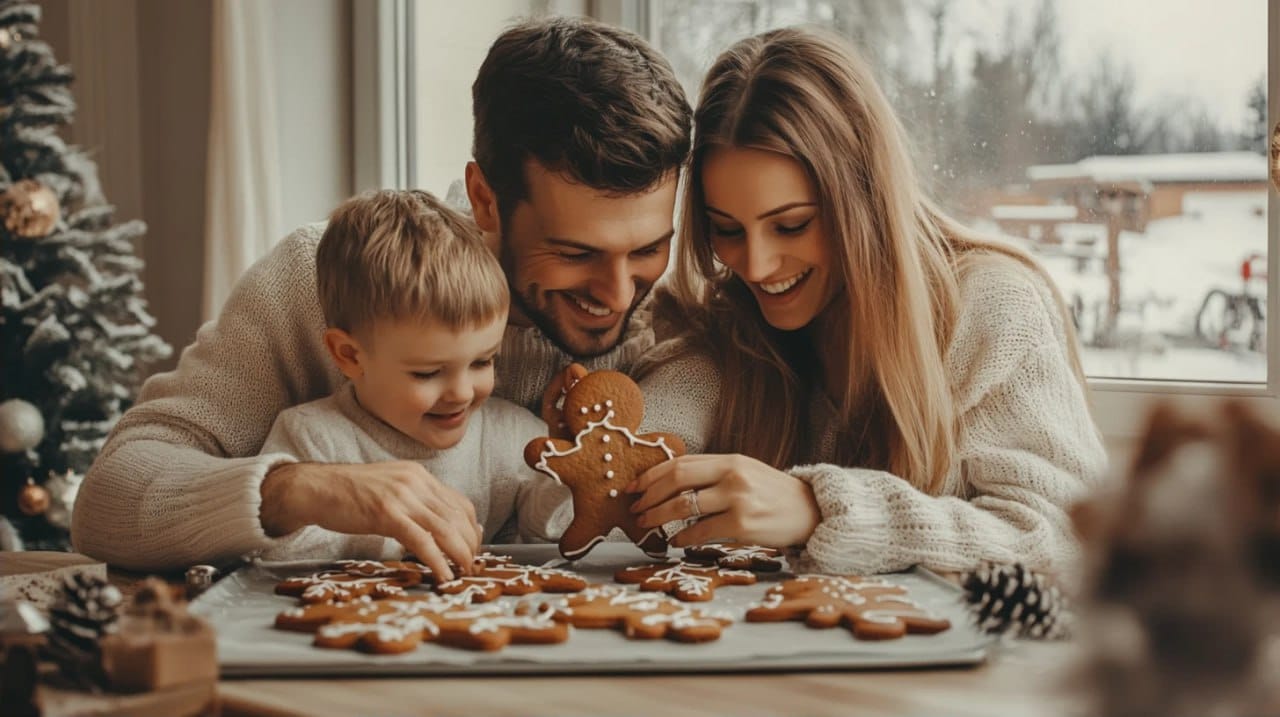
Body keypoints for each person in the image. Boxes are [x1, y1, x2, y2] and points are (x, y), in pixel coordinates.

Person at [72, 16, 691, 572]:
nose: (616, 294)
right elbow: (109, 502)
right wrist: (298, 490)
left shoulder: (673, 333)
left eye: (645, 250)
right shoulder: (318, 278)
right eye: (575, 253)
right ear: (484, 199)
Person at [626, 27, 1107, 578]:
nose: (755, 266)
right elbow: (637, 443)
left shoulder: (990, 309)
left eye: (791, 225)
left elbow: (1075, 538)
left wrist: (820, 509)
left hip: (957, 661)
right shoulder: (731, 324)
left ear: (864, 200)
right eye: (727, 230)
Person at [255, 190, 569, 578]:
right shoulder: (311, 439)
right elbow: (275, 555)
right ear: (350, 356)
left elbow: (550, 534)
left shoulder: (511, 434)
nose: (463, 393)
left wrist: (567, 463)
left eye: (482, 361)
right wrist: (395, 538)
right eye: (427, 372)